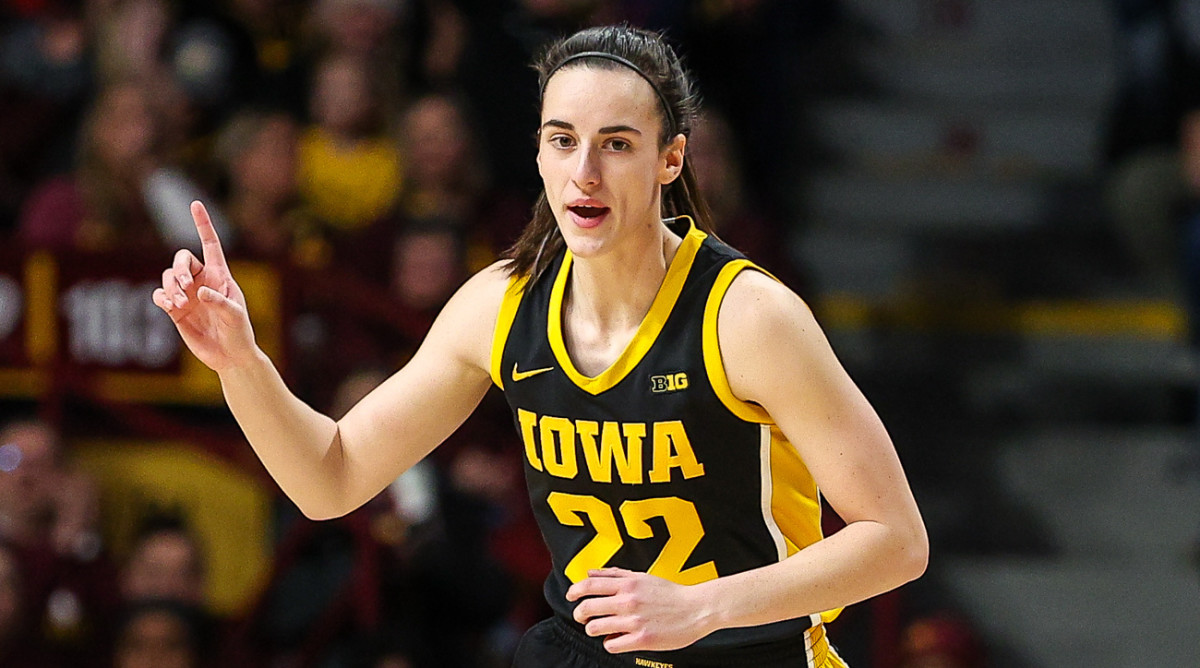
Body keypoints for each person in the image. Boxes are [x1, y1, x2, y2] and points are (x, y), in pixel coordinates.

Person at [152, 24, 927, 667]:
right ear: (539, 153)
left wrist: (702, 607)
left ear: (671, 159)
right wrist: (241, 365)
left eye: (617, 145)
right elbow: (332, 479)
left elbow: (896, 541)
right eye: (564, 140)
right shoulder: (500, 303)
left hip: (753, 653)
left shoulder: (748, 316)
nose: (584, 172)